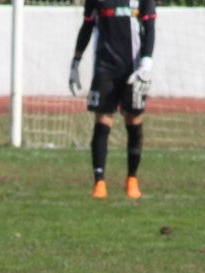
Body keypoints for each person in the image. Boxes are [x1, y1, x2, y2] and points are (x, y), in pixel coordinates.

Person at [67, 0, 157, 199]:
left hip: (133, 69)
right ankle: (99, 182)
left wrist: (146, 62)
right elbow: (87, 25)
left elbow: (149, 26)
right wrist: (76, 61)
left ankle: (132, 179)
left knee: (134, 120)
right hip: (105, 68)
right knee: (102, 121)